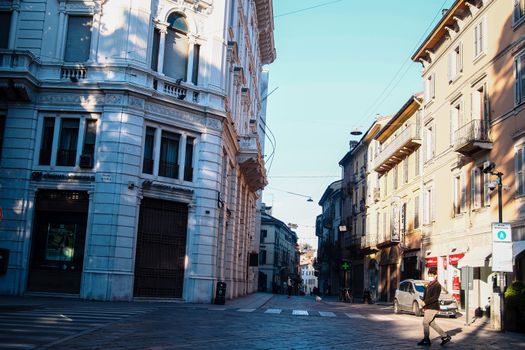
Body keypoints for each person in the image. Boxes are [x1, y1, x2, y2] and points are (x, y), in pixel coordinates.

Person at [418, 267, 451, 346]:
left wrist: (425, 302)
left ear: (435, 275)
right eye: (429, 275)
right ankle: (445, 336)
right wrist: (423, 304)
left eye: (432, 275)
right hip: (428, 307)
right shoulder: (429, 284)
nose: (430, 276)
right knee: (432, 323)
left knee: (425, 322)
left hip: (432, 307)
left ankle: (426, 340)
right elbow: (426, 295)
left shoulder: (437, 285)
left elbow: (435, 297)